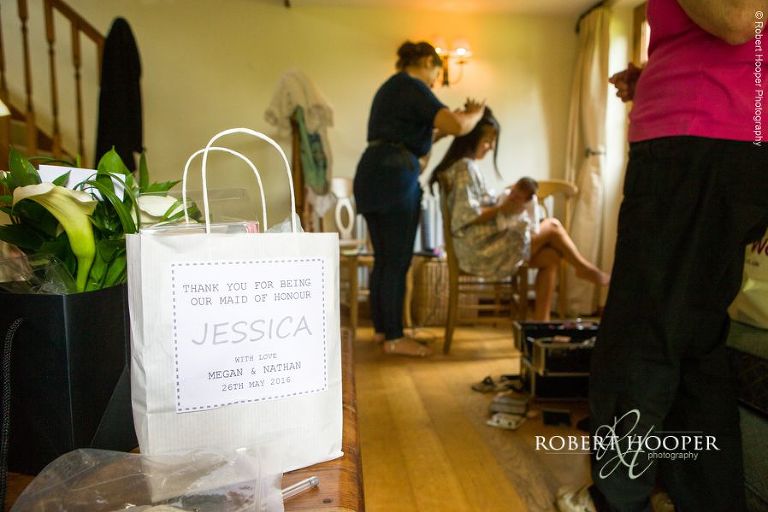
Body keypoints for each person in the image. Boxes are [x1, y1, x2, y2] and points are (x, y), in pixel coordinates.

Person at [557, 1, 768, 511]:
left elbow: (743, 19)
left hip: (696, 142)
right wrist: (653, 75)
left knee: (640, 339)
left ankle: (616, 498)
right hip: (731, 140)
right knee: (693, 343)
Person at [353, 41, 485, 357]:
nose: (433, 84)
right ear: (428, 61)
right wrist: (474, 115)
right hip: (394, 177)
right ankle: (396, 338)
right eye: (436, 76)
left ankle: (385, 333)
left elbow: (419, 139)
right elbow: (456, 125)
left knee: (385, 259)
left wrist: (438, 130)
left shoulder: (391, 89)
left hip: (373, 173)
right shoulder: (412, 86)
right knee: (397, 260)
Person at [430, 107, 609, 322]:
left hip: (483, 246)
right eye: (487, 141)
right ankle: (584, 268)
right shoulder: (464, 168)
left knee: (551, 258)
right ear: (472, 137)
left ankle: (541, 327)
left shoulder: (465, 167)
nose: (490, 147)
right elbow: (465, 215)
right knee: (552, 227)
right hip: (479, 252)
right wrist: (502, 209)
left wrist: (505, 202)